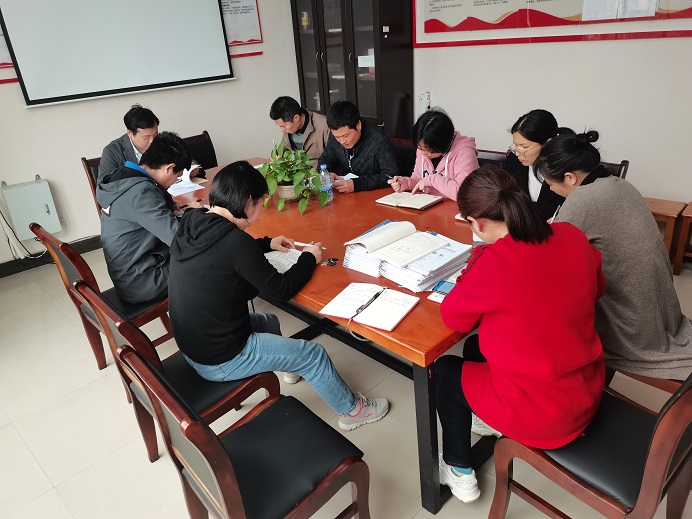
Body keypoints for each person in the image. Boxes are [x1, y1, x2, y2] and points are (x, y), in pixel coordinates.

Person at [167, 160, 390, 431]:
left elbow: (226, 251)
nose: (261, 211)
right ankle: (353, 412)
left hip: (193, 344)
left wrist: (265, 244)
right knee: (313, 355)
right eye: (261, 203)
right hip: (219, 359)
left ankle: (289, 367)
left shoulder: (193, 220)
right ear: (248, 203)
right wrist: (308, 258)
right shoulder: (236, 242)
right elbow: (281, 290)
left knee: (267, 321)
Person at [436, 165, 605, 503]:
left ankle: (458, 467)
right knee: (475, 347)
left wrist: (479, 258)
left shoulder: (495, 261)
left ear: (476, 223)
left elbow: (453, 318)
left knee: (444, 371)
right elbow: (598, 288)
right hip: (584, 390)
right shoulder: (570, 234)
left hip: (543, 416)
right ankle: (487, 418)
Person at [535, 131, 692, 380]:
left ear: (570, 178)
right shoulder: (620, 184)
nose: (551, 188)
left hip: (633, 323)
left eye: (550, 183)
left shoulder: (583, 199)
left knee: (545, 306)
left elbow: (549, 255)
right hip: (661, 309)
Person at [97, 131, 202, 304]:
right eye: (177, 177)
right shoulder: (142, 193)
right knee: (210, 255)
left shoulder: (122, 177)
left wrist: (166, 205)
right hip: (144, 281)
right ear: (168, 168)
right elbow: (180, 242)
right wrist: (193, 214)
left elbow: (140, 215)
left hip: (129, 272)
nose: (174, 182)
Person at [387, 108, 479, 200]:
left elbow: (465, 194)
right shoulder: (422, 149)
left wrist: (432, 179)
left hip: (453, 207)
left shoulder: (465, 153)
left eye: (428, 149)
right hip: (428, 204)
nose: (423, 153)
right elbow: (418, 179)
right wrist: (405, 183)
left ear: (442, 143)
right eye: (420, 148)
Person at [504, 109, 574, 220]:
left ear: (548, 143)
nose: (517, 152)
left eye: (525, 147)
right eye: (516, 145)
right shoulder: (514, 160)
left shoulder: (565, 168)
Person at [318, 100, 398, 193]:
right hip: (347, 193)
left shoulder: (378, 140)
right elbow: (326, 159)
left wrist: (358, 184)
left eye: (346, 135)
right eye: (337, 137)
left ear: (358, 125)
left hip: (374, 194)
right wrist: (327, 174)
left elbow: (391, 175)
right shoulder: (336, 136)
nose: (342, 141)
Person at [98, 104, 159, 184]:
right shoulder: (112, 152)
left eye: (155, 135)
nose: (152, 141)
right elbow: (104, 187)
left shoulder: (162, 143)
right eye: (146, 137)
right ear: (130, 133)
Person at [269, 95, 329, 162]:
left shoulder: (324, 125)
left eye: (283, 126)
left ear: (296, 118)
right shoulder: (289, 129)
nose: (282, 130)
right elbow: (284, 148)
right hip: (298, 167)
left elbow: (333, 156)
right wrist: (276, 155)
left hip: (319, 167)